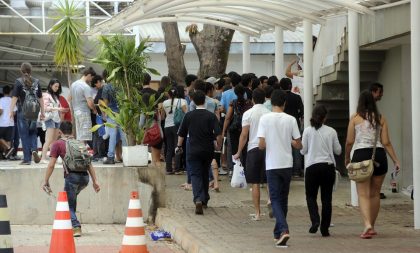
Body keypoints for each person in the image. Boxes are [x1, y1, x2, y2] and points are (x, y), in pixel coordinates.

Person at [345, 90, 400, 239]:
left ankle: (367, 224)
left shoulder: (355, 118)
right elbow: (386, 142)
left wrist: (346, 158)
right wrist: (395, 160)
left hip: (361, 156)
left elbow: (350, 141)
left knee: (363, 194)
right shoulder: (381, 118)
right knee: (375, 193)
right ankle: (372, 226)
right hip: (379, 157)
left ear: (360, 102)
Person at [257, 89, 302, 247]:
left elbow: (261, 145)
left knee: (274, 199)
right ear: (284, 103)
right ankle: (278, 233)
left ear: (271, 102)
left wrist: (266, 143)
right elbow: (298, 143)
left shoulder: (265, 118)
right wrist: (289, 141)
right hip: (287, 164)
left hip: (272, 164)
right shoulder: (291, 119)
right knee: (283, 199)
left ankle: (283, 229)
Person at [42, 121, 100, 237]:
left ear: (59, 132)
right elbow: (89, 164)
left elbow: (51, 165)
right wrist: (95, 182)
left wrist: (46, 180)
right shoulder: (79, 143)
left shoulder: (57, 144)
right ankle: (71, 224)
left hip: (72, 177)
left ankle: (75, 226)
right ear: (72, 131)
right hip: (85, 178)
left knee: (67, 203)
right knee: (71, 201)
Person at [177, 90, 222, 215]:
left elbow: (181, 134)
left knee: (195, 174)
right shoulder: (211, 115)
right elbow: (218, 134)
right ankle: (205, 199)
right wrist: (218, 145)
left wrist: (179, 146)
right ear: (205, 101)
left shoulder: (189, 116)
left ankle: (198, 198)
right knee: (204, 174)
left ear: (193, 101)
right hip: (207, 149)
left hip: (193, 149)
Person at [300, 105, 342, 237]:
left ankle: (315, 220)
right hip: (327, 167)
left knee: (310, 196)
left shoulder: (307, 131)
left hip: (312, 167)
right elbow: (338, 150)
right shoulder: (331, 131)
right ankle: (325, 229)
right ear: (325, 117)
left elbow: (303, 150)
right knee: (326, 199)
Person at [233, 88, 270, 221]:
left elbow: (244, 135)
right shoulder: (269, 112)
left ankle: (258, 213)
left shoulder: (248, 113)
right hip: (268, 149)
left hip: (253, 149)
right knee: (269, 179)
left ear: (252, 99)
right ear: (265, 98)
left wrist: (238, 152)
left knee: (255, 182)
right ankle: (271, 200)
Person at [10, 62, 45, 165]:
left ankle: (27, 159)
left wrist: (11, 111)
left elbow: (15, 98)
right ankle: (34, 149)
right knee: (33, 132)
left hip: (22, 111)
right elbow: (40, 98)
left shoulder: (19, 82)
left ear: (21, 71)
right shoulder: (36, 81)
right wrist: (42, 112)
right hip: (34, 111)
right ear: (31, 70)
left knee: (24, 134)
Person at [280, 78, 304, 177]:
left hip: (282, 124)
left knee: (283, 146)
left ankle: (285, 168)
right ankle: (297, 170)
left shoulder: (280, 97)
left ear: (281, 86)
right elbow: (302, 112)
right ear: (291, 86)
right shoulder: (297, 97)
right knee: (296, 147)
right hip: (294, 124)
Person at [162, 86, 188, 174]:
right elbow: (187, 113)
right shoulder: (182, 101)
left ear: (168, 94)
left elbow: (162, 116)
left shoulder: (164, 103)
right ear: (177, 93)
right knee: (178, 146)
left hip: (167, 127)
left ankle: (168, 169)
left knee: (169, 148)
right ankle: (177, 169)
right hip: (177, 126)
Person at [40, 79, 67, 163]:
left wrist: (60, 110)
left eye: (58, 87)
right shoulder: (46, 95)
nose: (57, 88)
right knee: (49, 139)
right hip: (50, 118)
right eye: (55, 86)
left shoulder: (55, 96)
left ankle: (52, 157)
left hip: (56, 118)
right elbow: (45, 108)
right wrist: (58, 108)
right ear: (50, 85)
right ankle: (43, 158)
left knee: (54, 140)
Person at [69, 67, 97, 143]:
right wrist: (94, 110)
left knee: (79, 134)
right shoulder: (86, 87)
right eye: (92, 78)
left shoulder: (73, 84)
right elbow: (90, 103)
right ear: (89, 75)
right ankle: (82, 153)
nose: (91, 80)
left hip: (76, 112)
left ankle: (80, 153)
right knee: (84, 135)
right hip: (84, 112)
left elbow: (69, 98)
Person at [369, 82, 386, 199]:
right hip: (373, 149)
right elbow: (387, 141)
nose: (382, 95)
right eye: (380, 92)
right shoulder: (371, 110)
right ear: (374, 92)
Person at [0, 85, 16, 159]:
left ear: (3, 92)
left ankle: (8, 147)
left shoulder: (1, 100)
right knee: (8, 139)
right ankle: (7, 156)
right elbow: (14, 112)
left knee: (1, 138)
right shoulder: (12, 100)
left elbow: (1, 111)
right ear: (10, 92)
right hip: (11, 122)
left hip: (2, 122)